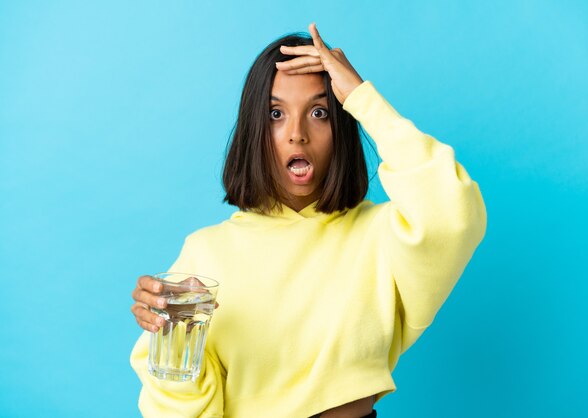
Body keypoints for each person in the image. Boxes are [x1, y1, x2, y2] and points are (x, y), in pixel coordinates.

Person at [130, 22, 487, 418]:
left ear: (341, 126)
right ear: (253, 131)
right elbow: (177, 411)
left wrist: (362, 99)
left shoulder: (381, 236)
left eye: (319, 112)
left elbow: (453, 212)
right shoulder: (206, 254)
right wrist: (173, 335)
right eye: (275, 114)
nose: (296, 134)